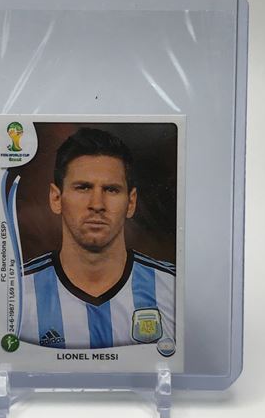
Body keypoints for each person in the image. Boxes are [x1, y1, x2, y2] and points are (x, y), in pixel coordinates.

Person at [19, 127, 175, 349]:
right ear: (56, 198)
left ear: (131, 202)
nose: (97, 204)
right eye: (83, 188)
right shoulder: (17, 294)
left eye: (111, 190)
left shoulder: (171, 288)